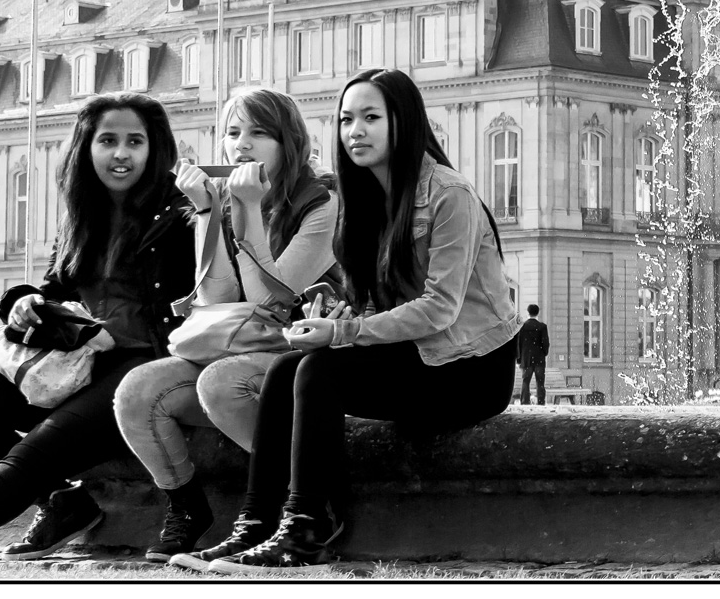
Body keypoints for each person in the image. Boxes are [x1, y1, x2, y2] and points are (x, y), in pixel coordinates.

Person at [185, 68, 523, 575]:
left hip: (472, 368)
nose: (355, 131)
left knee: (320, 370)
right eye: (346, 119)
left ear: (403, 123)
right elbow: (376, 305)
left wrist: (345, 334)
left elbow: (440, 309)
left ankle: (306, 530)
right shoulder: (360, 199)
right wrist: (338, 315)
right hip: (417, 358)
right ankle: (255, 524)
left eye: (371, 118)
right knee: (287, 370)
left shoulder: (450, 194)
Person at [0, 93, 195, 558]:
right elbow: (58, 289)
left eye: (136, 141)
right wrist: (23, 300)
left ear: (154, 148)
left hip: (144, 362)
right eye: (108, 140)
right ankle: (63, 502)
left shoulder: (180, 210)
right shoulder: (82, 212)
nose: (121, 153)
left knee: (34, 452)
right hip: (79, 356)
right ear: (86, 147)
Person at [114, 87, 339, 563]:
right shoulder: (224, 194)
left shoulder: (322, 201)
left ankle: (301, 504)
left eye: (259, 133)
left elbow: (268, 297)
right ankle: (186, 507)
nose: (242, 144)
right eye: (233, 132)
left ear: (289, 141)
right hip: (241, 341)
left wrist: (249, 210)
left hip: (301, 351)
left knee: (223, 382)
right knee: (137, 391)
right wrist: (206, 211)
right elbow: (216, 297)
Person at [516, 305, 550, 405]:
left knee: (526, 381)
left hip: (526, 358)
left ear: (528, 312)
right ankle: (540, 401)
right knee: (540, 382)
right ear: (537, 313)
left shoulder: (522, 326)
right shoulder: (542, 327)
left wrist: (519, 359)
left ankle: (525, 401)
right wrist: (544, 353)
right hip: (539, 358)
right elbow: (545, 343)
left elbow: (519, 344)